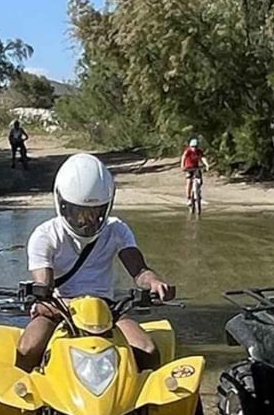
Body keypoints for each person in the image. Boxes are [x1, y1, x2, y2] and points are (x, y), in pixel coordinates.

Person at [17, 153, 174, 371]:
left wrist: (155, 283)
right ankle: (24, 401)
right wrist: (41, 295)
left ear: (106, 207)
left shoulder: (116, 229)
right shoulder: (45, 235)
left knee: (147, 350)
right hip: (59, 309)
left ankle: (145, 404)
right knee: (27, 349)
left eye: (95, 213)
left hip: (106, 309)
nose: (87, 221)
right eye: (78, 213)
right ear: (62, 204)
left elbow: (139, 271)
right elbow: (45, 285)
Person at [181, 138, 206, 207]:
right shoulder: (188, 151)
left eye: (195, 146)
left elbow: (202, 158)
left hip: (196, 167)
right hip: (188, 168)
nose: (194, 148)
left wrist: (206, 165)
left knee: (200, 181)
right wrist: (182, 166)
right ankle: (188, 198)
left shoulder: (199, 151)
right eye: (192, 146)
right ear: (190, 146)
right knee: (189, 182)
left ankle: (198, 196)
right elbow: (183, 157)